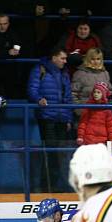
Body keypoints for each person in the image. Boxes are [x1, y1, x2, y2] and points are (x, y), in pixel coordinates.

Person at [27, 47, 73, 192]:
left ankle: (54, 185)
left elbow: (68, 98)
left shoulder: (64, 73)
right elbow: (32, 89)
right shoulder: (40, 69)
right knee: (50, 151)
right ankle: (45, 185)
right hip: (47, 116)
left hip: (61, 118)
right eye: (62, 58)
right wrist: (39, 99)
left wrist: (68, 118)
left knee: (59, 153)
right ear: (54, 57)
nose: (65, 61)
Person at [71, 47, 111, 118]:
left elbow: (109, 93)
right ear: (88, 59)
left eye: (98, 59)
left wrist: (107, 111)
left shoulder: (105, 73)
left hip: (102, 115)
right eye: (93, 59)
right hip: (84, 115)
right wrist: (80, 112)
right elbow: (73, 94)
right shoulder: (80, 74)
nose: (96, 62)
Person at [76, 82, 112, 147]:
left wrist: (111, 140)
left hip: (102, 142)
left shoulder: (107, 110)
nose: (95, 94)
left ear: (104, 94)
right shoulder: (88, 107)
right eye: (94, 92)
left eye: (98, 92)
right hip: (88, 141)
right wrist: (80, 137)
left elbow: (110, 127)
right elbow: (83, 123)